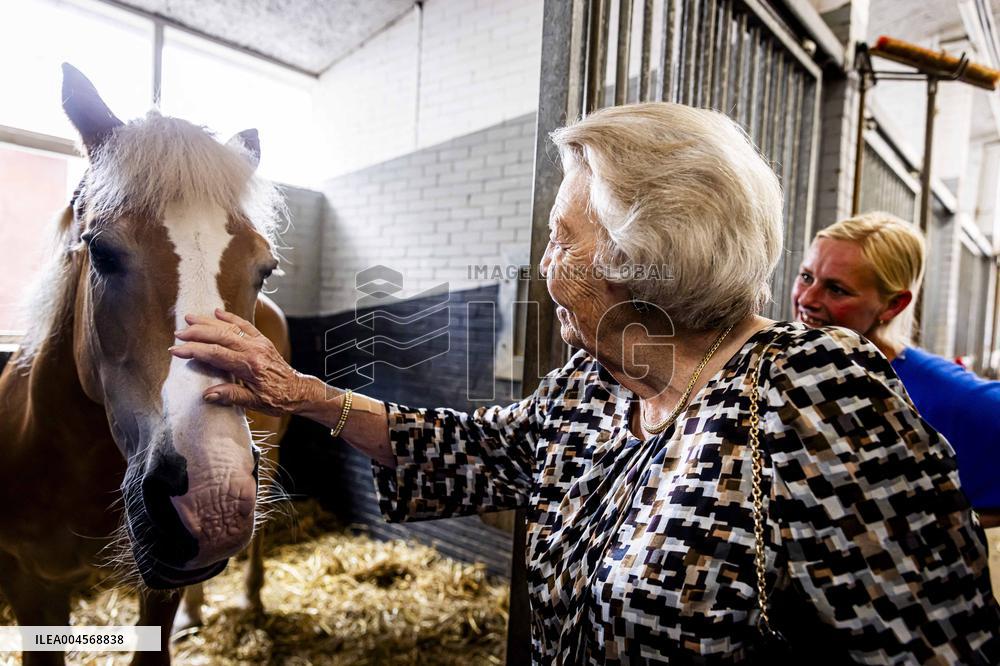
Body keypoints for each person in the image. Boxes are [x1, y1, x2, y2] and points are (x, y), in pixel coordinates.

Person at [171, 104, 1000, 663]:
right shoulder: (594, 387)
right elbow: (472, 449)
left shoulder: (815, 395)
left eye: (561, 237)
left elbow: (933, 643)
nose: (544, 265)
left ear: (645, 259)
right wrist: (300, 392)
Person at [792, 211, 1000, 601]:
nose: (807, 299)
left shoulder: (939, 394)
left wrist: (945, 526)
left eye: (836, 289)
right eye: (806, 276)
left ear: (893, 304)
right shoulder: (781, 367)